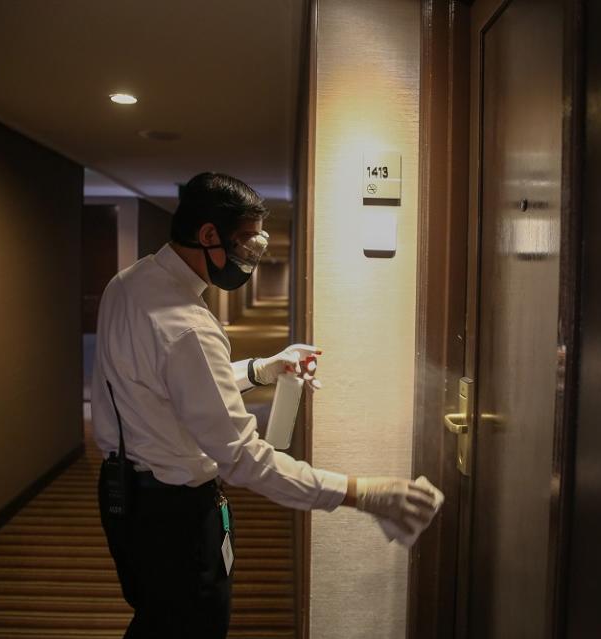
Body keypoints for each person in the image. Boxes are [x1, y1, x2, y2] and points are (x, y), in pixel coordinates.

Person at [91, 172, 441, 638]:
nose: (248, 260)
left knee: (154, 619)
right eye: (243, 245)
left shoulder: (128, 283)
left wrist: (261, 368)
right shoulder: (188, 325)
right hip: (176, 518)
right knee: (191, 626)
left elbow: (163, 388)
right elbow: (242, 459)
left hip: (121, 499)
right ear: (208, 234)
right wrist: (363, 493)